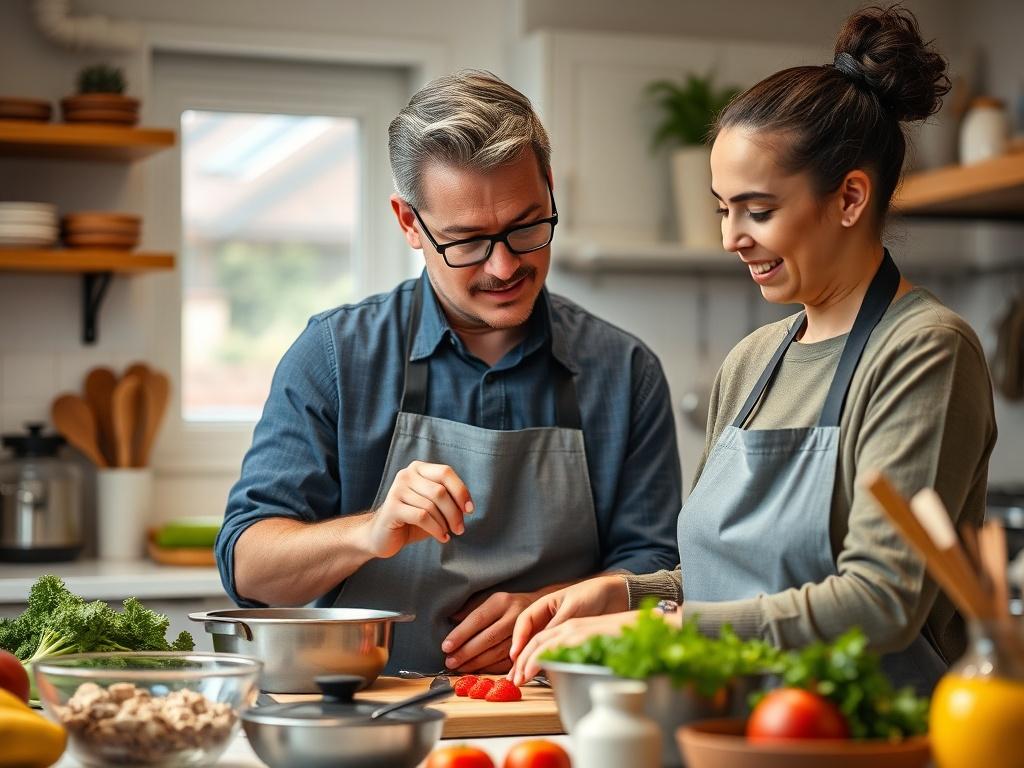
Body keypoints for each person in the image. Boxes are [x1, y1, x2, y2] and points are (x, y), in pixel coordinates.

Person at [510, 5, 997, 694]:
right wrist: (624, 596)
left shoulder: (924, 351)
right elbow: (722, 581)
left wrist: (662, 629)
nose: (730, 237)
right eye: (722, 208)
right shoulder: (753, 363)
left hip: (865, 737)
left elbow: (881, 601)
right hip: (727, 731)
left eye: (757, 210)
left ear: (851, 197)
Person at [215, 71, 682, 675]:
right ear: (410, 222)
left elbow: (659, 578)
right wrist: (369, 531)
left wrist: (547, 609)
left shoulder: (624, 371)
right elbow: (248, 571)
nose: (506, 265)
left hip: (547, 716)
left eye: (527, 226)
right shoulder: (335, 356)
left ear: (548, 186)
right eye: (467, 241)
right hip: (369, 715)